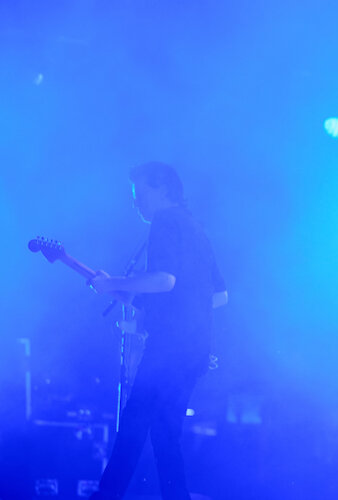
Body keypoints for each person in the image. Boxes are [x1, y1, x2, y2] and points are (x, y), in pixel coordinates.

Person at [88, 162, 227, 500]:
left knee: (133, 426)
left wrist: (113, 283)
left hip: (170, 349)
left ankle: (106, 496)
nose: (135, 201)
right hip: (196, 350)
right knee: (166, 436)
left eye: (140, 193)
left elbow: (165, 280)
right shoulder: (196, 228)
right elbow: (220, 296)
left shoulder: (165, 221)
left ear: (162, 189)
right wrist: (177, 315)